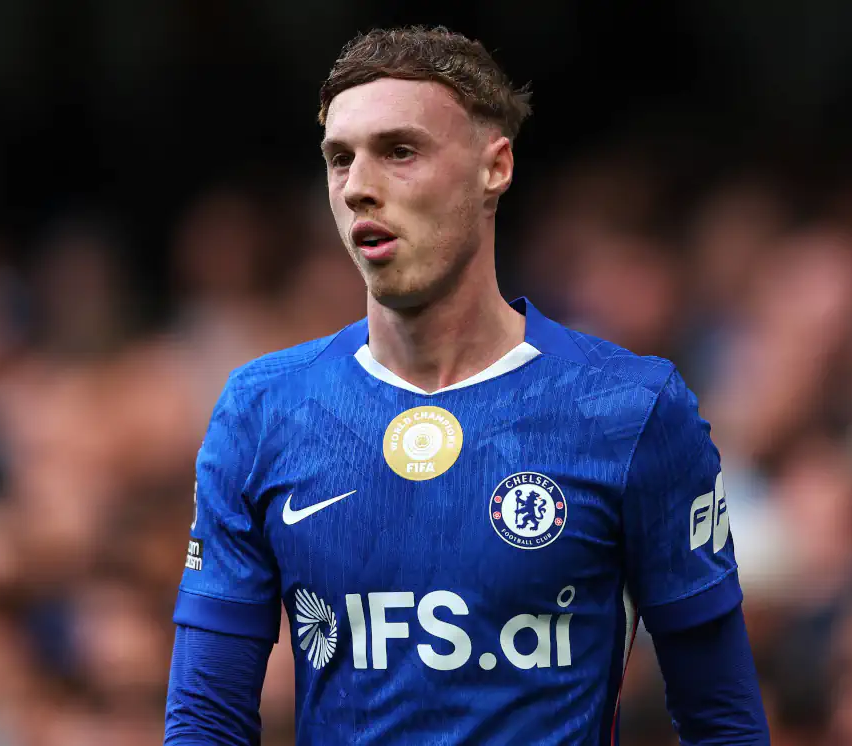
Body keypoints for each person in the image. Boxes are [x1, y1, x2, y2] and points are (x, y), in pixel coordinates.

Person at [165, 25, 769, 745]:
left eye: (399, 151)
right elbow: (205, 720)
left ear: (495, 168)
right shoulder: (263, 411)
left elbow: (722, 720)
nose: (358, 187)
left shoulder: (629, 410)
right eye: (339, 159)